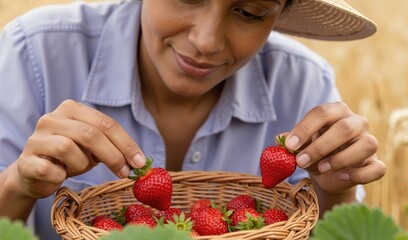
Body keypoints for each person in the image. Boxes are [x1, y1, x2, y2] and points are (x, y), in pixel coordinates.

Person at [0, 0, 386, 238]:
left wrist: (336, 190)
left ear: (279, 13)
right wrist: (18, 183)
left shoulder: (302, 83)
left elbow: (323, 230)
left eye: (249, 12)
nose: (206, 41)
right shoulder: (35, 54)